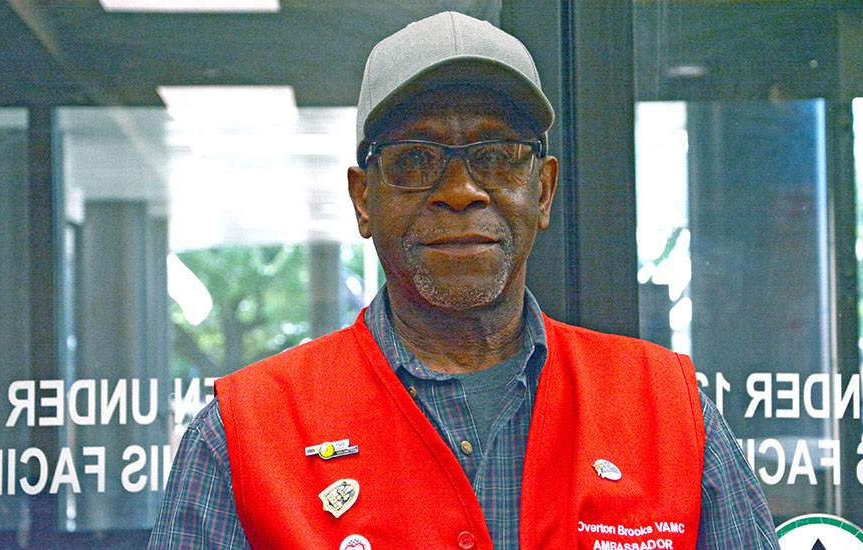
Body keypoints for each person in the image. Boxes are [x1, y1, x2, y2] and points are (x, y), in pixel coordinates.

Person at [149, 11, 778, 550]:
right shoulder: (242, 439)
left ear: (544, 191)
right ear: (363, 199)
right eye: (416, 158)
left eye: (497, 155)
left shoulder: (671, 414)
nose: (459, 192)